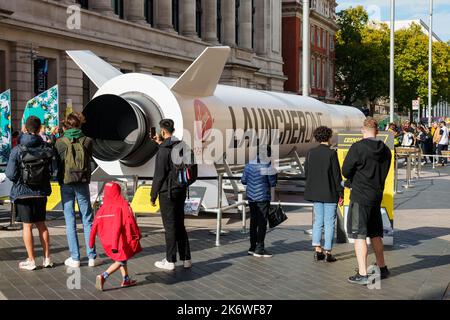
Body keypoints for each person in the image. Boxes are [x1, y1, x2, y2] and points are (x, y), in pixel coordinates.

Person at [342, 118, 392, 285]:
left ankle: (363, 274)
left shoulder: (357, 147)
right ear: (377, 131)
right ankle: (382, 268)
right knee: (376, 233)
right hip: (376, 195)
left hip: (360, 195)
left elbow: (346, 170)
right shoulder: (386, 150)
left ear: (363, 130)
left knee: (360, 235)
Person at [6, 116, 54, 270]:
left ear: (25, 129)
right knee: (42, 225)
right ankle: (47, 259)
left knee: (27, 227)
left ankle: (31, 260)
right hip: (40, 192)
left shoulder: (17, 150)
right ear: (40, 129)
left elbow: (11, 174)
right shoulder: (46, 148)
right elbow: (51, 170)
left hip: (22, 192)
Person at [55, 112, 100, 268]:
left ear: (66, 125)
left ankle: (75, 258)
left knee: (70, 221)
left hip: (66, 183)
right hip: (82, 182)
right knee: (87, 219)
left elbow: (57, 162)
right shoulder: (87, 140)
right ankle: (92, 256)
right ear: (80, 124)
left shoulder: (60, 142)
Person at [150, 119, 192, 271]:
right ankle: (186, 258)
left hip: (167, 192)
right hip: (181, 189)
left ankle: (170, 260)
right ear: (173, 130)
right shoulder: (182, 145)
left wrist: (153, 195)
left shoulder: (163, 150)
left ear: (162, 131)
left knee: (170, 226)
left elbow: (159, 175)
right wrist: (160, 143)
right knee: (180, 223)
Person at [90, 182, 142, 291]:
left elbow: (94, 225)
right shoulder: (122, 204)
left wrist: (91, 242)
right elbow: (130, 220)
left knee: (122, 256)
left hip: (106, 239)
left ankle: (126, 279)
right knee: (121, 259)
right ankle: (103, 276)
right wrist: (137, 233)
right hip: (119, 239)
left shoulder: (102, 208)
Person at [304, 126, 343, 263]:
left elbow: (306, 173)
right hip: (330, 193)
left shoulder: (310, 153)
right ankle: (328, 251)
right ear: (329, 137)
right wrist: (341, 194)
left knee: (318, 221)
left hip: (315, 193)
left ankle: (317, 249)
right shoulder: (331, 153)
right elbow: (336, 176)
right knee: (329, 222)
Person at [241, 145, 277, 258]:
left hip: (251, 197)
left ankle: (252, 247)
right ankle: (259, 248)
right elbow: (272, 183)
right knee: (262, 223)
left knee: (253, 222)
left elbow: (243, 181)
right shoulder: (268, 166)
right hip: (263, 197)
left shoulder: (248, 165)